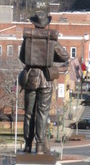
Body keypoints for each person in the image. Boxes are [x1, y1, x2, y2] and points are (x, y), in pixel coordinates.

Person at [19, 12, 69, 154]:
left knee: (29, 114)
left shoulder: (28, 38)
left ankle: (28, 145)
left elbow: (22, 57)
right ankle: (40, 145)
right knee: (42, 113)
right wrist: (51, 59)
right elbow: (64, 55)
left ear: (34, 23)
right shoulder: (50, 39)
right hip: (46, 79)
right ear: (46, 24)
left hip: (31, 78)